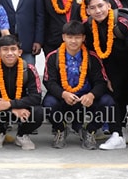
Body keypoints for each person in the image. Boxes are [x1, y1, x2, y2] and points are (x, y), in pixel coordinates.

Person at [83, 0, 128, 152]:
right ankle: (117, 134)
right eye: (93, 8)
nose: (98, 11)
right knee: (115, 99)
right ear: (88, 11)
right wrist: (104, 76)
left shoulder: (123, 23)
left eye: (100, 6)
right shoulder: (88, 26)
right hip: (112, 68)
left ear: (108, 5)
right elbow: (95, 54)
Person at [42, 21, 114, 150]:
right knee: (48, 104)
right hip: (64, 97)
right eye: (70, 37)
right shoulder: (53, 56)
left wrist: (92, 95)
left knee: (108, 102)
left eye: (77, 37)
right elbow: (49, 81)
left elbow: (100, 82)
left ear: (83, 38)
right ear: (63, 37)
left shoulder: (92, 57)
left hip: (85, 98)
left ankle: (90, 130)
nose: (73, 41)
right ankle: (61, 129)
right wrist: (63, 94)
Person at [0, 35, 44, 150]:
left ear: (20, 52)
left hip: (23, 109)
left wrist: (11, 104)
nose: (10, 53)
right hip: (0, 110)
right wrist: (12, 108)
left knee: (39, 112)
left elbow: (36, 97)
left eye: (13, 49)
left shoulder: (29, 69)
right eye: (5, 49)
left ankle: (22, 135)